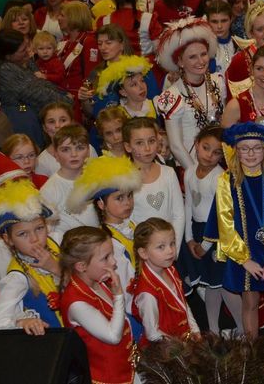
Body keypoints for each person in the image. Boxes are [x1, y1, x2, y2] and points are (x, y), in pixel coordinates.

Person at [204, 122, 264, 339]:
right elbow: (225, 225)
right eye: (244, 148)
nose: (250, 153)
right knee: (249, 302)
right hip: (245, 253)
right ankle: (252, 354)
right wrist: (245, 260)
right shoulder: (226, 181)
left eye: (257, 147)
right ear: (236, 151)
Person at [180, 127, 241, 334]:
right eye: (206, 148)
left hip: (217, 235)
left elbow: (221, 216)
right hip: (197, 232)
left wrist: (206, 245)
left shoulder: (220, 178)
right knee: (209, 286)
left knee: (221, 286)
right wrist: (189, 238)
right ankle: (214, 331)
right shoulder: (189, 172)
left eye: (217, 152)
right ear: (196, 144)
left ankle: (243, 329)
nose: (209, 155)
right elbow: (188, 205)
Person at [59, 226, 138, 384]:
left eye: (112, 255)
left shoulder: (97, 281)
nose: (113, 262)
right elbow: (113, 336)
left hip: (125, 368)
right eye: (106, 258)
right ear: (81, 266)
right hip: (108, 378)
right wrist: (118, 295)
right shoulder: (77, 303)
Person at [0, 178, 61, 333]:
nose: (34, 239)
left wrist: (55, 268)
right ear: (8, 239)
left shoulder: (59, 241)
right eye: (23, 234)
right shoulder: (17, 278)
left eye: (39, 228)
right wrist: (21, 321)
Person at [66, 153, 143, 302]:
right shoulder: (109, 242)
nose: (127, 202)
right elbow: (123, 281)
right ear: (101, 204)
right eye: (119, 198)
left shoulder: (132, 225)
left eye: (129, 196)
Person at [155, 17, 228, 169]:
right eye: (192, 57)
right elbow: (176, 146)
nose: (201, 61)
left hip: (222, 161)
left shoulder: (219, 82)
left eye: (203, 54)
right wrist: (197, 174)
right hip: (191, 167)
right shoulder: (172, 96)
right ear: (180, 62)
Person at [0, 29, 72, 141]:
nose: (28, 51)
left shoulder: (23, 61)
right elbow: (36, 93)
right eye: (23, 50)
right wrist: (65, 100)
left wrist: (64, 93)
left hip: (30, 116)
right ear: (8, 56)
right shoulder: (5, 70)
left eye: (27, 46)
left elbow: (41, 82)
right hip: (21, 120)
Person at [131, 217, 199, 344]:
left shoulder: (171, 270)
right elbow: (153, 333)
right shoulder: (146, 293)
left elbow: (183, 304)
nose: (170, 251)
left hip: (184, 341)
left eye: (172, 243)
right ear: (144, 253)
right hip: (166, 351)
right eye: (161, 247)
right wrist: (182, 347)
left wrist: (195, 329)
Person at [124, 117, 185, 247]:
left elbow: (178, 215)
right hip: (141, 249)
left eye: (151, 141)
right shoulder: (124, 178)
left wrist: (174, 249)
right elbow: (126, 221)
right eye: (139, 143)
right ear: (128, 147)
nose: (147, 148)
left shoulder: (168, 173)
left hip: (168, 247)